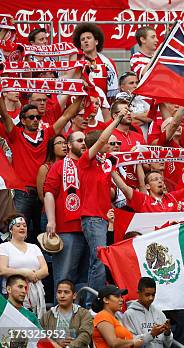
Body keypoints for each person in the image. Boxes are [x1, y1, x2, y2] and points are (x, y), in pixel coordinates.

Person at [0, 97, 81, 242]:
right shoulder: (15, 135)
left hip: (44, 194)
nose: (36, 119)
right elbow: (5, 115)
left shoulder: (47, 134)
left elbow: (67, 116)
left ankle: (43, 264)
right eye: (31, 117)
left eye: (38, 117)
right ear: (23, 120)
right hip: (22, 192)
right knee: (17, 233)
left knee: (45, 237)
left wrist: (81, 96)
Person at [78, 111, 123, 302]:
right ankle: (91, 303)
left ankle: (93, 301)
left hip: (102, 219)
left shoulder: (101, 165)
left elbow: (109, 194)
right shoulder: (85, 161)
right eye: (108, 143)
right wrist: (117, 120)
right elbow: (103, 136)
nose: (111, 145)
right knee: (98, 260)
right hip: (92, 218)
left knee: (99, 261)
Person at [44, 131, 89, 294]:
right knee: (64, 278)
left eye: (85, 141)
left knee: (86, 280)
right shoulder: (60, 165)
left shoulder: (92, 165)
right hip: (67, 229)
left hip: (90, 229)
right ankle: (60, 319)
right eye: (79, 140)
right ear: (69, 145)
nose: (84, 143)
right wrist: (51, 220)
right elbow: (48, 192)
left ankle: (82, 318)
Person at [0, 214, 49, 318]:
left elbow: (45, 270)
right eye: (18, 225)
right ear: (11, 229)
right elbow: (2, 270)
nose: (22, 227)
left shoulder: (34, 247)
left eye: (24, 225)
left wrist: (33, 276)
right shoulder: (4, 247)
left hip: (35, 293)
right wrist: (24, 273)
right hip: (13, 293)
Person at [122, 277, 173, 348]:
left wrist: (167, 333)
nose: (151, 298)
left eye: (153, 294)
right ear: (138, 293)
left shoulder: (159, 313)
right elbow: (130, 343)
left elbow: (168, 345)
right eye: (147, 294)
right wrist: (151, 334)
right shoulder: (129, 314)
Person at [41, 279, 94, 347]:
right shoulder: (47, 316)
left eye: (66, 292)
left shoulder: (84, 314)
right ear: (56, 295)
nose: (62, 295)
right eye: (59, 292)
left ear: (74, 295)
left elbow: (85, 335)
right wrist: (56, 343)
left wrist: (70, 346)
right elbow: (42, 337)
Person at [72, 23, 119, 98]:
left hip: (105, 104)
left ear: (96, 42)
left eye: (89, 38)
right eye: (83, 39)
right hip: (84, 103)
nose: (86, 41)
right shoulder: (76, 63)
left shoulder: (109, 62)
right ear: (80, 45)